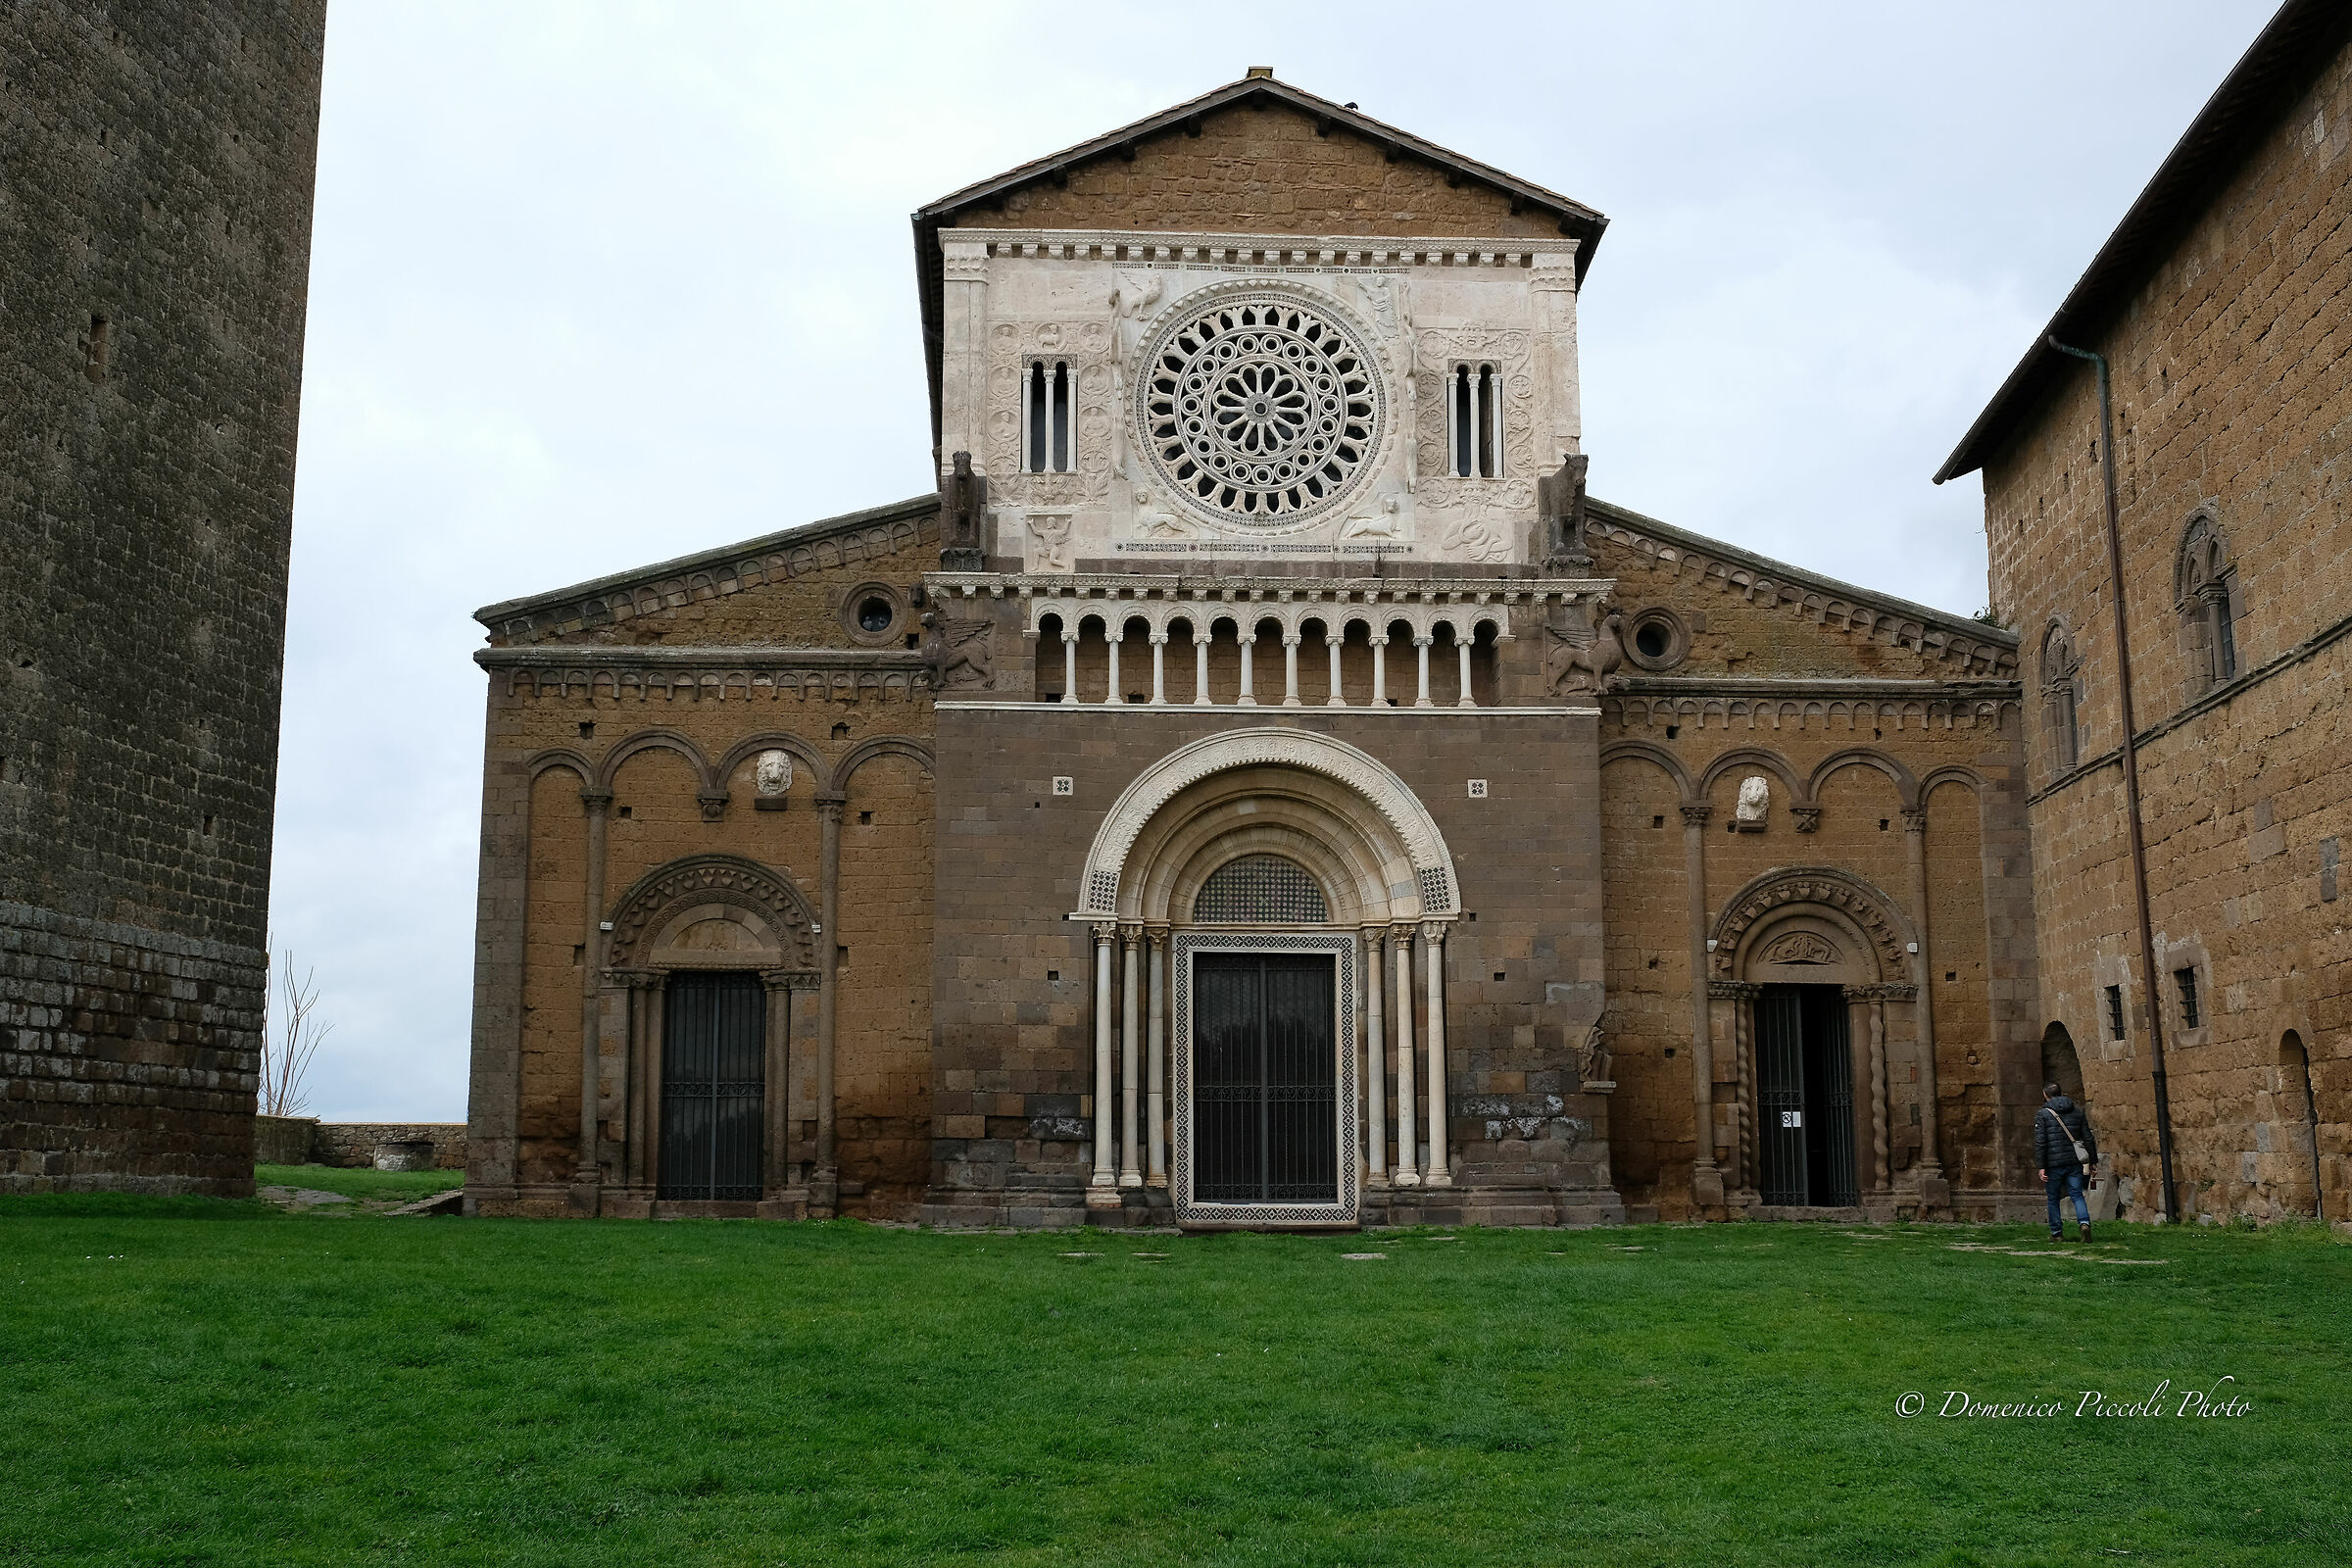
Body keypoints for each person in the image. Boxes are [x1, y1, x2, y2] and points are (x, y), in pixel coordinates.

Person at [2035, 1083, 2100, 1242]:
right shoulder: (2077, 1112)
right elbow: (2088, 1137)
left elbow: (2041, 1142)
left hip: (2053, 1163)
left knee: (2053, 1197)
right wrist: (2092, 1161)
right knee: (2077, 1195)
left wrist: (2041, 1166)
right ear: (2061, 1093)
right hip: (2074, 1160)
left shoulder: (2043, 1115)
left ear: (2045, 1095)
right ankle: (2084, 1224)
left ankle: (2057, 1233)